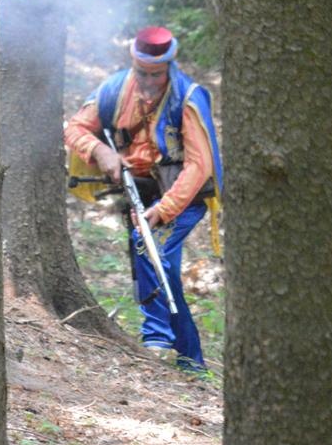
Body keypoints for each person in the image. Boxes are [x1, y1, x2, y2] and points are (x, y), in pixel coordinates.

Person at [64, 26, 222, 371]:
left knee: (148, 247)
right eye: (142, 73)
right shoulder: (114, 90)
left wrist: (164, 210)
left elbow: (199, 165)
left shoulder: (188, 98)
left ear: (169, 67)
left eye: (156, 74)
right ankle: (192, 363)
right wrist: (101, 151)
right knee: (161, 269)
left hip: (182, 195)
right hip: (138, 190)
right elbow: (75, 128)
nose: (148, 82)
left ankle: (156, 338)